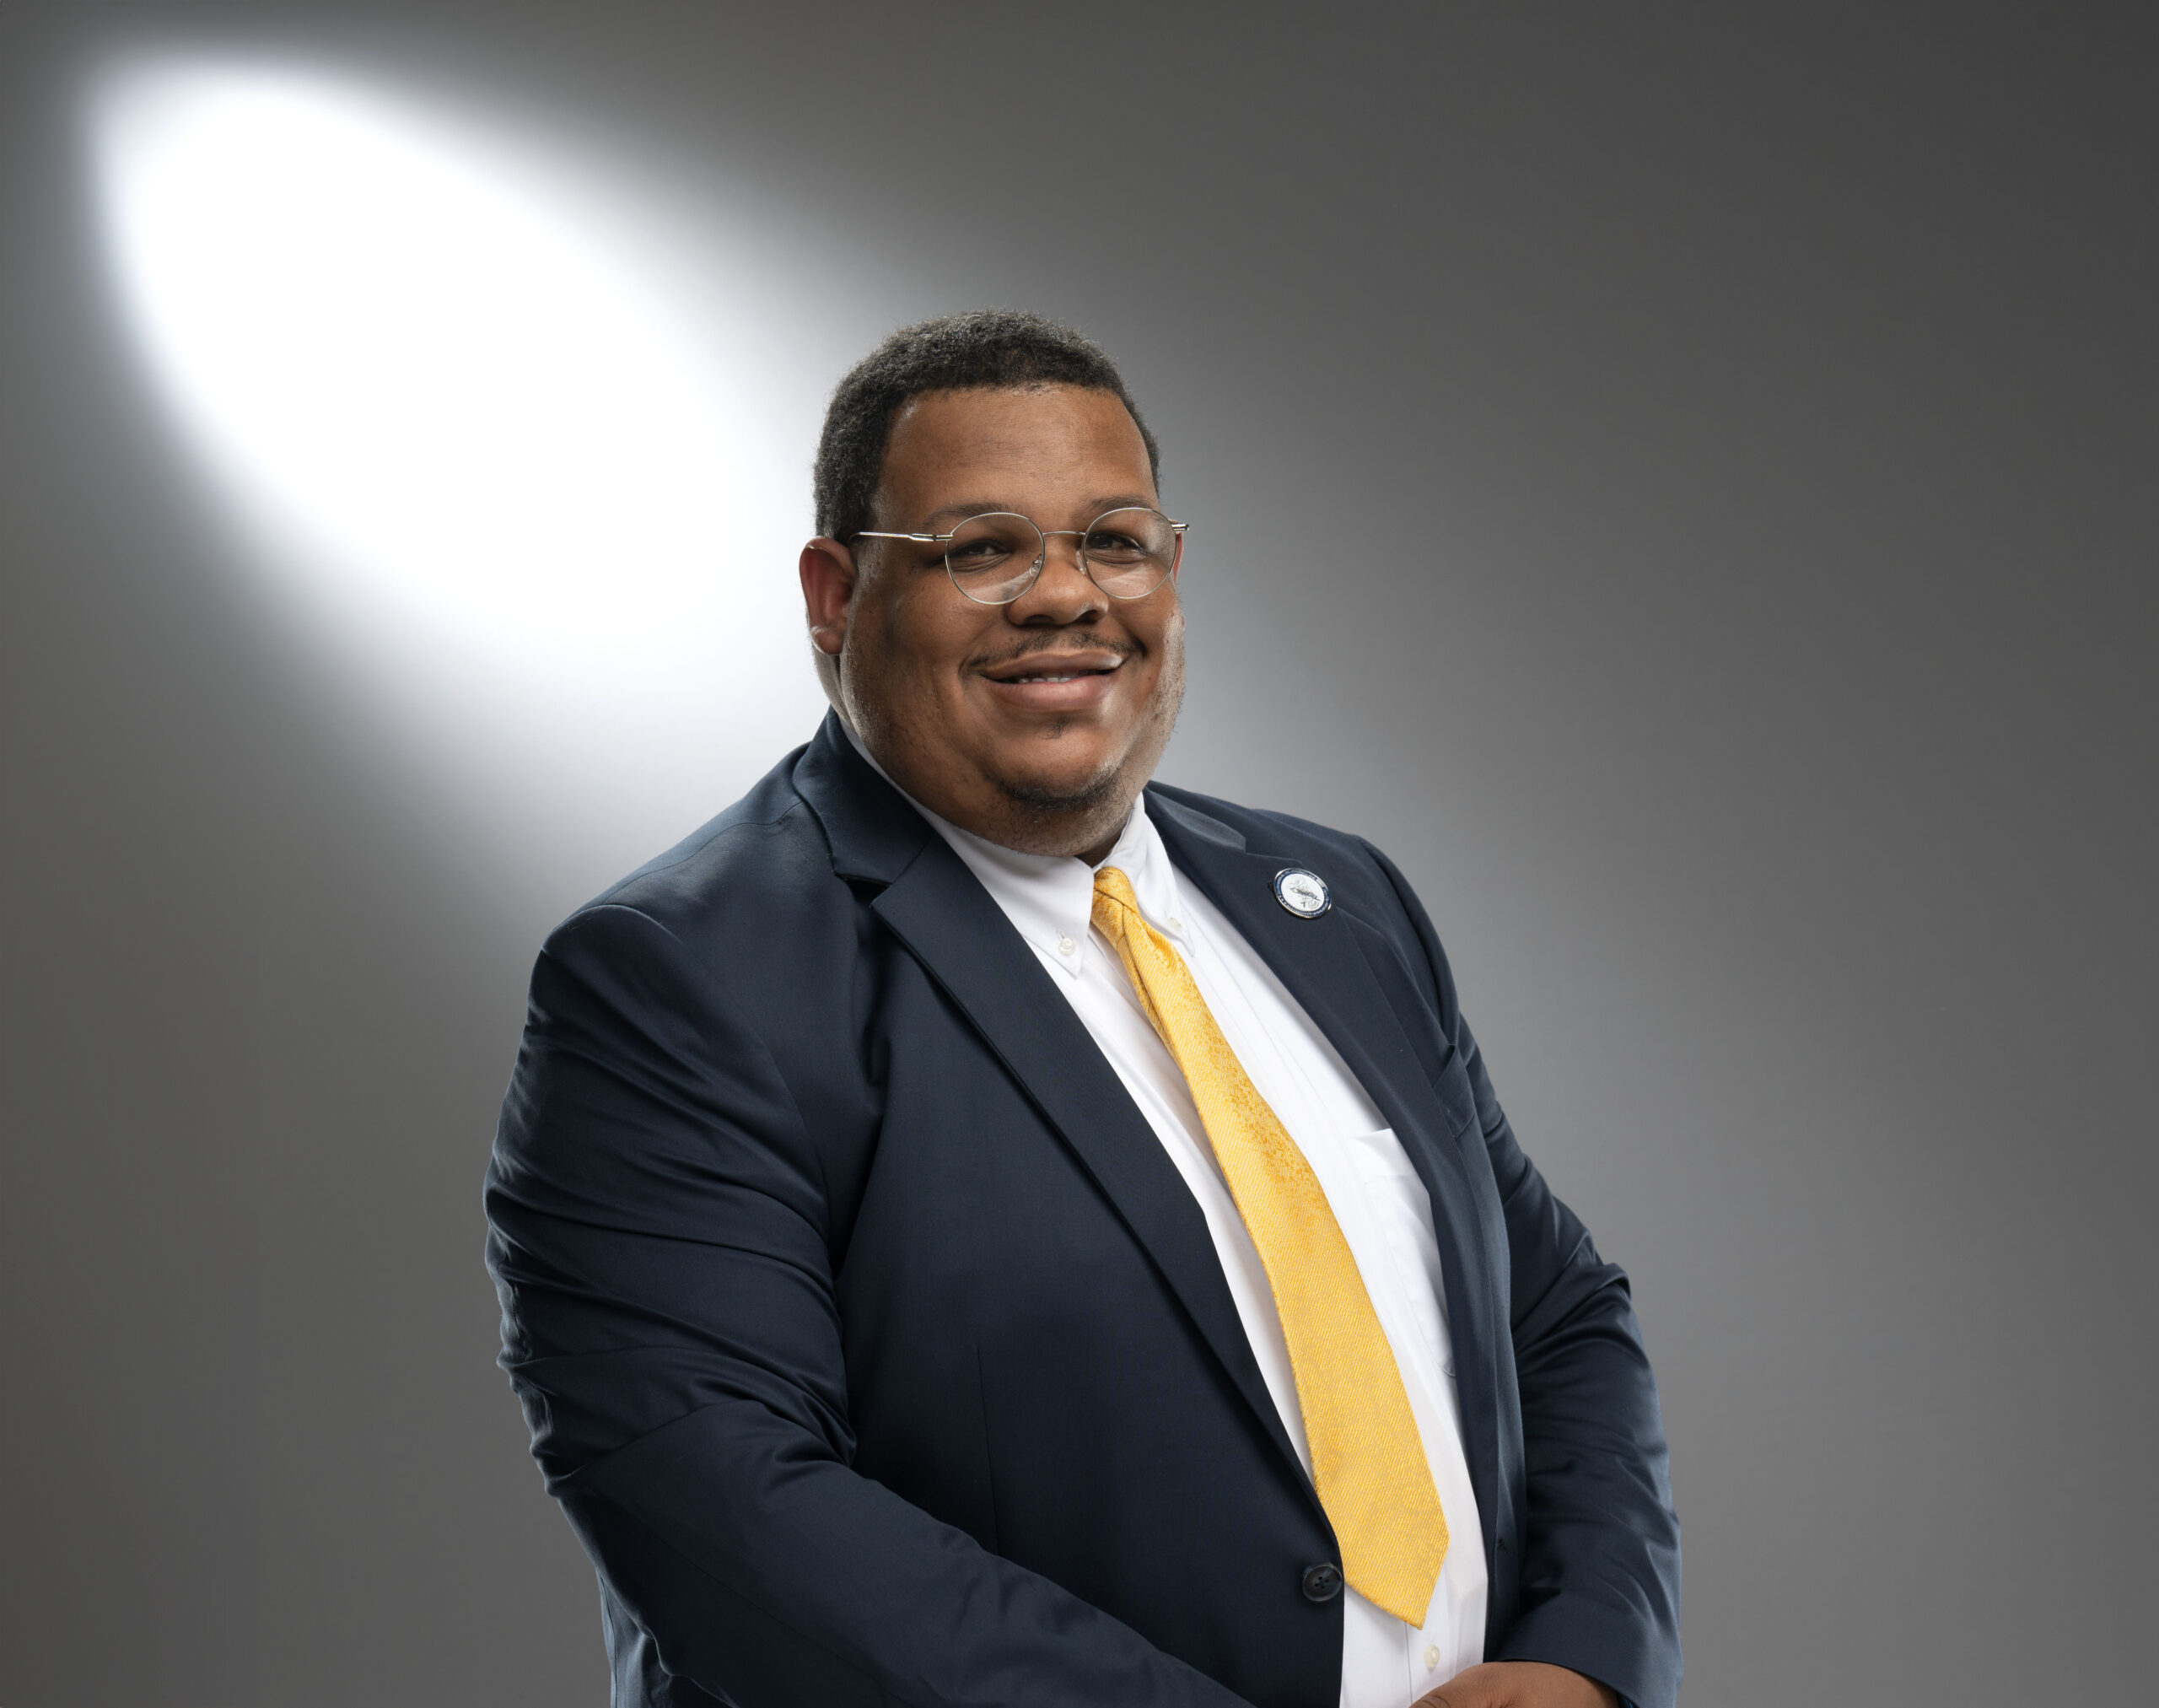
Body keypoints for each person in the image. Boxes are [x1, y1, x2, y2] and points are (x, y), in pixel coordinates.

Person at [484, 310, 1681, 1708]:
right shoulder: (677, 981)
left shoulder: (1341, 903)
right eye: (981, 547)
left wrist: (1583, 1658)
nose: (1065, 595)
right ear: (834, 595)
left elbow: (1557, 1313)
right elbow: (731, 1517)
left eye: (1115, 539)